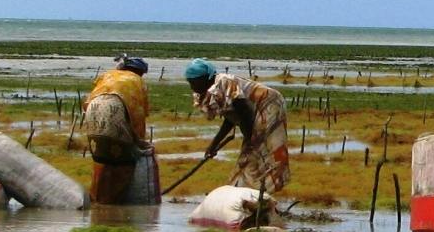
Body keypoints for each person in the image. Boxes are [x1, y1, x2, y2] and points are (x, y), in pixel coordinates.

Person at [184, 58, 289, 193]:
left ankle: (260, 190)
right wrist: (214, 144)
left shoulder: (224, 82)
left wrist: (249, 138)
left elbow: (245, 113)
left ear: (205, 78)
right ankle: (246, 189)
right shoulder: (212, 89)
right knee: (251, 152)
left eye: (194, 82)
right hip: (251, 112)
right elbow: (231, 118)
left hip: (268, 104)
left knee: (260, 150)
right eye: (190, 82)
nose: (192, 86)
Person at [82, 54, 158, 205]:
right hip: (114, 112)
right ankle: (113, 204)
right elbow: (138, 114)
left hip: (92, 111)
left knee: (102, 159)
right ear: (139, 71)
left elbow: (88, 100)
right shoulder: (137, 81)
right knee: (124, 162)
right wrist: (139, 141)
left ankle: (96, 199)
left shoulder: (108, 75)